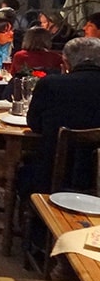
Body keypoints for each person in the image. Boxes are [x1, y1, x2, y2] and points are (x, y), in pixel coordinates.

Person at [25, 37, 100, 196]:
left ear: (65, 61)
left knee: (26, 167)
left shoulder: (51, 84)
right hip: (95, 176)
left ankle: (34, 216)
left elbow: (34, 124)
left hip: (52, 176)